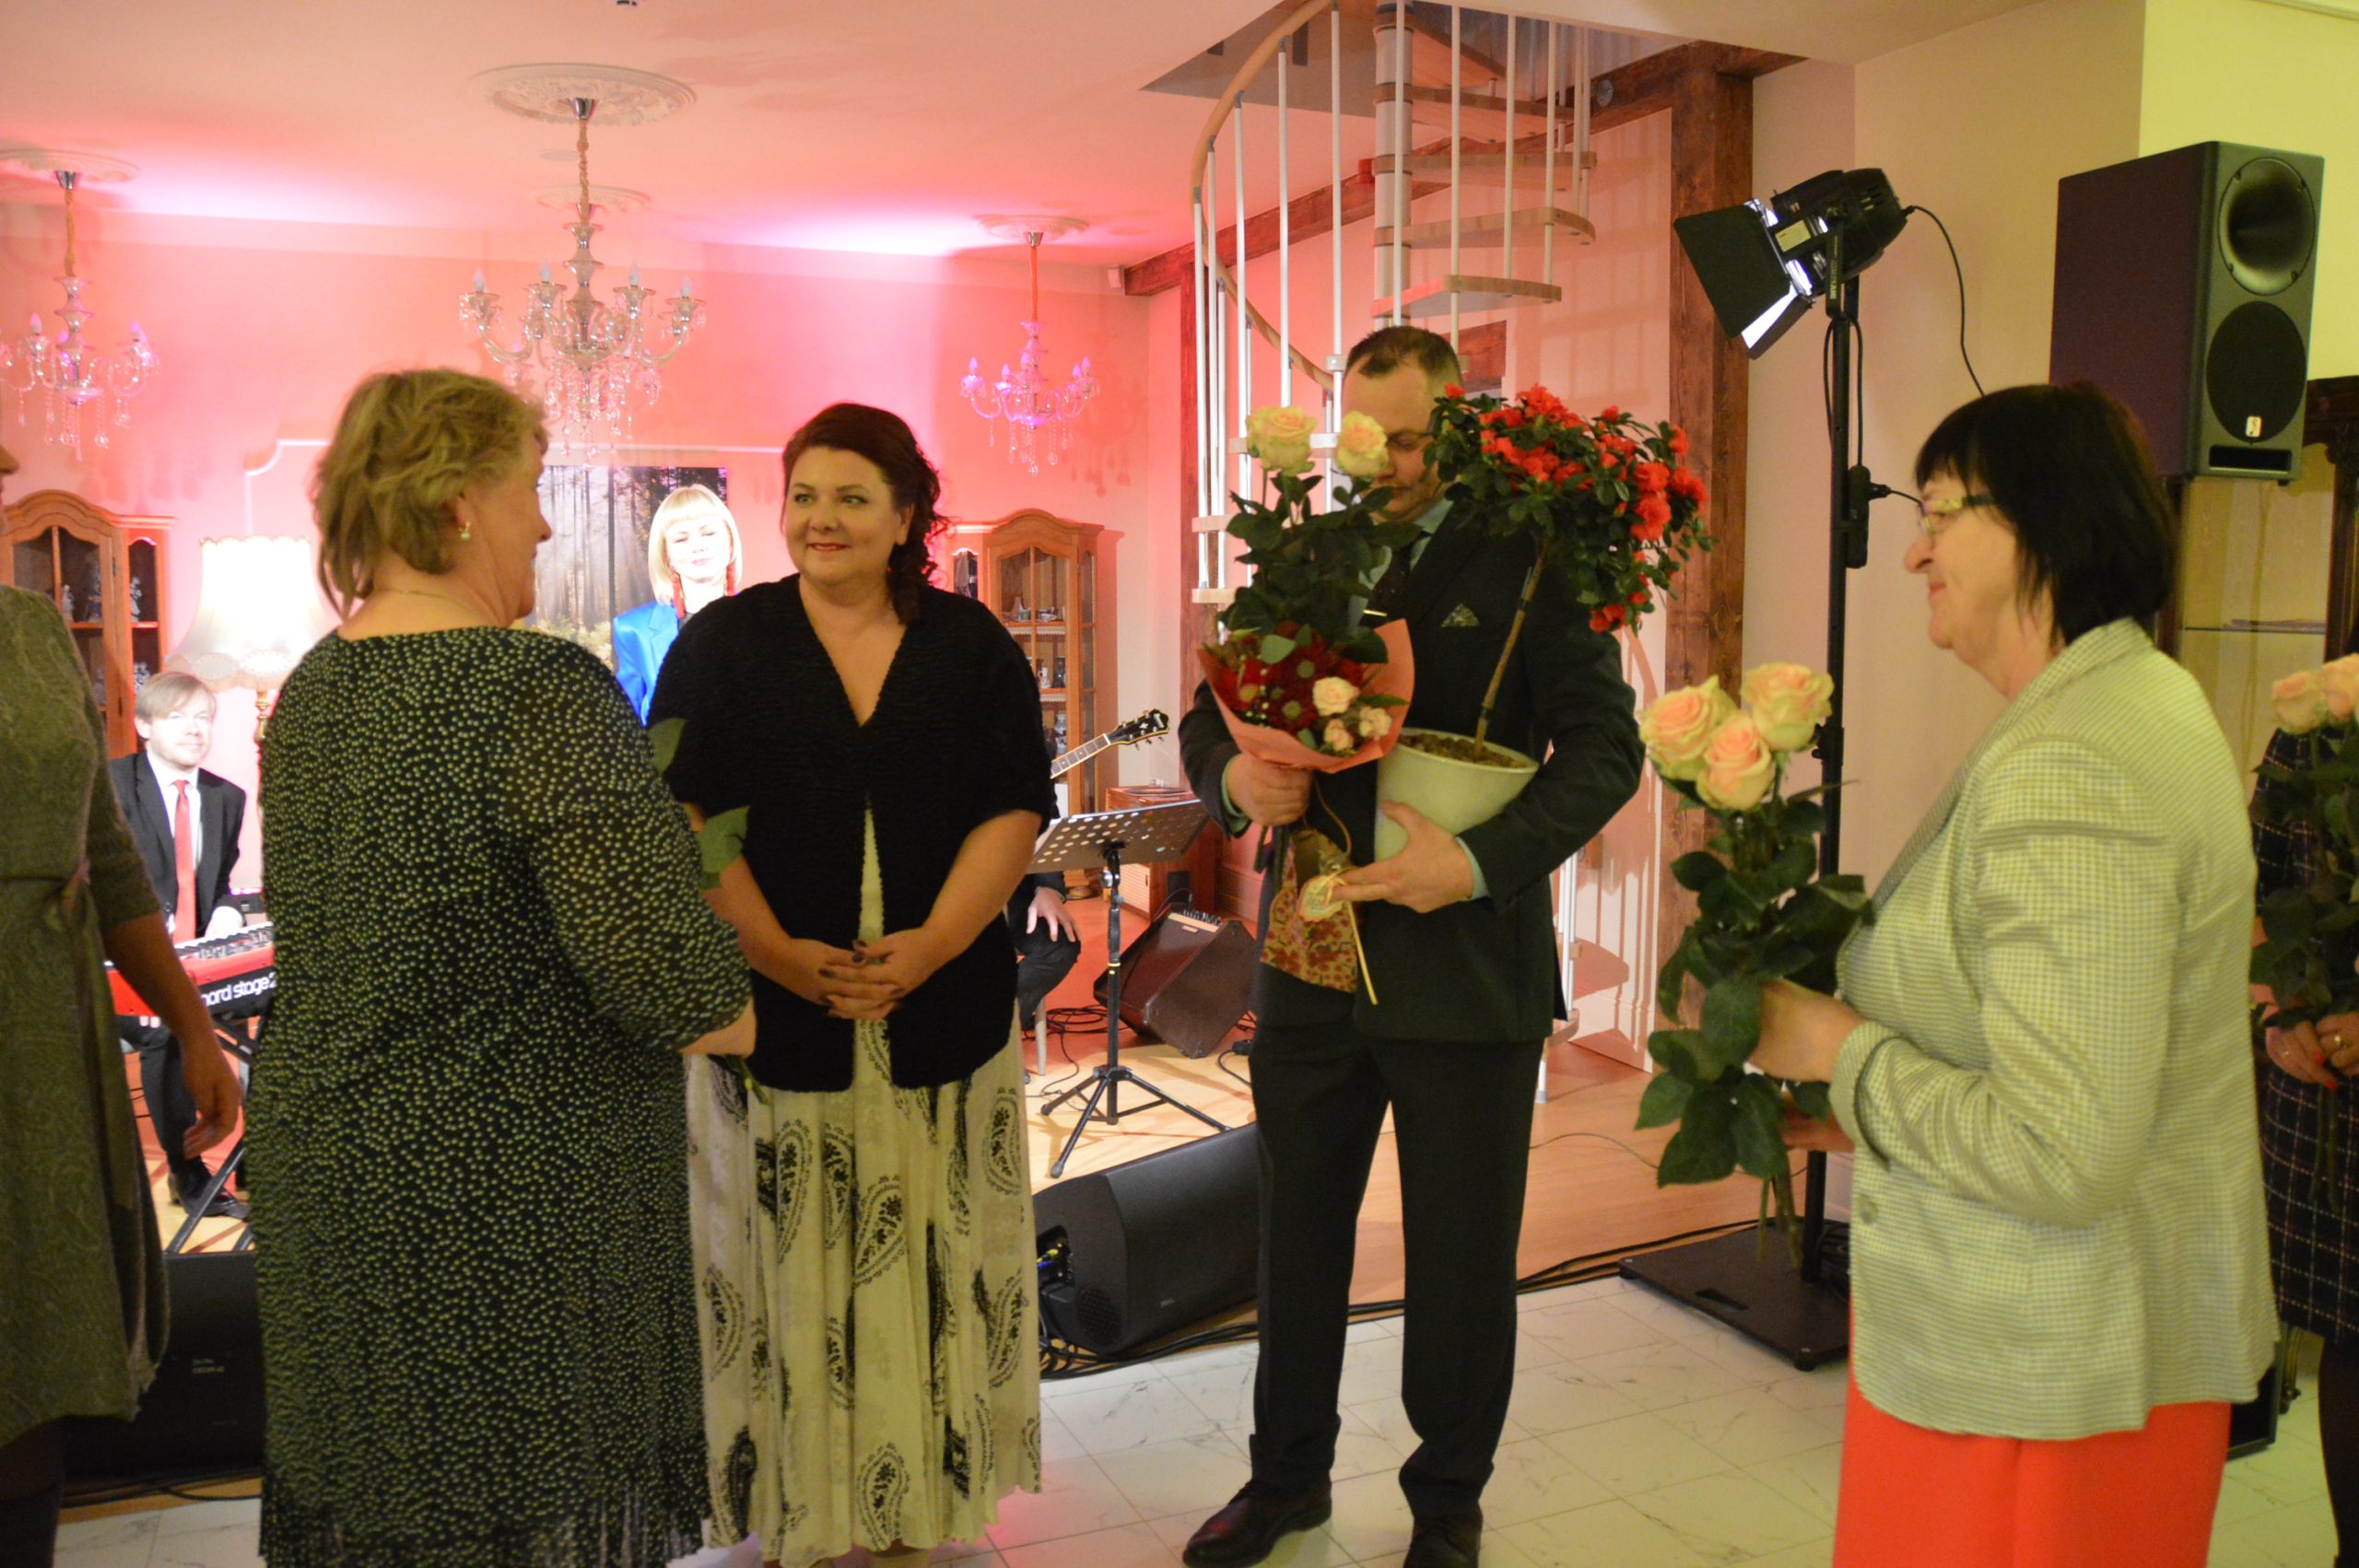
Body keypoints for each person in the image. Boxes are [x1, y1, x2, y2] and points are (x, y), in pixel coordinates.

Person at [1751, 382, 2277, 1568]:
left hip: (2045, 1382)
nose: (1914, 551)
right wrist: (1863, 1115)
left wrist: (1841, 1052)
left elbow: (2063, 1148)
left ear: (2042, 520)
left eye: (1940, 510)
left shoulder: (2074, 761)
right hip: (2059, 1356)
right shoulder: (2122, 698)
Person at [250, 368, 755, 1566]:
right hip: (506, 1189)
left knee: (399, 1511)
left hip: (336, 1175)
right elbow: (671, 981)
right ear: (458, 503)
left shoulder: (316, 688)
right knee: (514, 1512)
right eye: (529, 490)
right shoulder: (533, 690)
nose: (543, 524)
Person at [1177, 325, 1643, 1568]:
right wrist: (1238, 782)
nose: (1383, 462)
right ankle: (1285, 1483)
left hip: (1468, 963)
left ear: (1461, 425)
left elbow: (1607, 751)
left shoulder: (1535, 558)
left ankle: (1447, 1502)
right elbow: (1207, 715)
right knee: (1293, 1242)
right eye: (1365, 437)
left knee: (1460, 1261)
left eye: (1408, 437)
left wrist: (1477, 862)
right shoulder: (1305, 552)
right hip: (1311, 954)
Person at [651, 402, 1051, 1565]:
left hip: (942, 1007)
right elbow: (683, 812)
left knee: (935, 1249)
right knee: (780, 1254)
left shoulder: (970, 646)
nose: (820, 520)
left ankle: (920, 1501)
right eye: (804, 496)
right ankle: (798, 1504)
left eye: (851, 498)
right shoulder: (721, 644)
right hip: (776, 1009)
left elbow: (1013, 805)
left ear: (907, 516)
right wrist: (776, 951)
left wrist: (934, 944)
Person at [2, 446, 243, 1567]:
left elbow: (106, 856)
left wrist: (194, 1028)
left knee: (38, 1345)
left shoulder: (33, 632)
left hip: (44, 1045)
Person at [2250, 637, 2359, 1566]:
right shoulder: (2317, 718)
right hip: (2328, 1082)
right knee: (2351, 1334)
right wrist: (2279, 1014)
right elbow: (2254, 886)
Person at [108, 670, 249, 1218]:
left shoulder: (225, 797)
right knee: (168, 1023)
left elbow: (219, 885)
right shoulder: (112, 786)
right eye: (177, 717)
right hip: (124, 965)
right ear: (144, 726)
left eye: (203, 718)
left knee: (287, 1000)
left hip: (199, 964)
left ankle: (259, 1159)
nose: (195, 729)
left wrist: (227, 914)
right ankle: (188, 1174)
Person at [614, 482, 743, 722]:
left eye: (708, 533)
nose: (697, 546)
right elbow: (625, 725)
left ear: (730, 542)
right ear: (666, 556)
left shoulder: (764, 624)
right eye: (681, 539)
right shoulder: (633, 630)